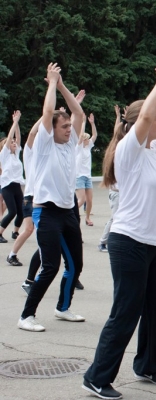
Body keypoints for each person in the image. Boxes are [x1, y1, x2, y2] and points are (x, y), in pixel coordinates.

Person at [82, 51, 156, 400]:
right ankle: (97, 377)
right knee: (126, 310)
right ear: (142, 124)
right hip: (128, 241)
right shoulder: (129, 151)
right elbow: (145, 114)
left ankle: (147, 365)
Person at [17, 63, 85, 332]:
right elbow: (48, 112)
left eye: (70, 126)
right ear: (52, 129)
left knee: (75, 265)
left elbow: (77, 112)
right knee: (50, 266)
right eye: (64, 126)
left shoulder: (70, 143)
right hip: (45, 212)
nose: (69, 129)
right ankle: (26, 316)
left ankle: (63, 307)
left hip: (67, 212)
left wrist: (63, 86)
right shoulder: (44, 146)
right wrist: (52, 85)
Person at [8, 117, 41, 266]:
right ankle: (13, 255)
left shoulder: (43, 154)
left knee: (30, 229)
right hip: (31, 198)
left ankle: (12, 255)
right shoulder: (29, 152)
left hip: (40, 198)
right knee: (31, 230)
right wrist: (45, 116)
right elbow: (32, 134)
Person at [97, 105, 124, 253]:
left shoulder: (119, 146)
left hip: (121, 191)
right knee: (115, 218)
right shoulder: (117, 149)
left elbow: (117, 132)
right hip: (116, 192)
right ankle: (102, 242)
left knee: (120, 218)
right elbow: (117, 133)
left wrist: (119, 117)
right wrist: (120, 119)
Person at [0, 110, 25, 243]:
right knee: (12, 212)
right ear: (6, 146)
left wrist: (18, 123)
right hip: (7, 187)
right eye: (12, 143)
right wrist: (14, 122)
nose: (14, 143)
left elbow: (18, 137)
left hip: (16, 186)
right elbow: (10, 137)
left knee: (21, 212)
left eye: (15, 143)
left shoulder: (16, 156)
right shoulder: (4, 155)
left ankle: (15, 232)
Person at [75, 114, 98, 226]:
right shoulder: (78, 148)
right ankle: (70, 211)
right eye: (87, 138)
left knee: (89, 200)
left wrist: (92, 123)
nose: (89, 139)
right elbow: (80, 136)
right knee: (82, 199)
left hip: (88, 176)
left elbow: (95, 135)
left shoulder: (88, 147)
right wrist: (83, 122)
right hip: (79, 176)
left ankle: (87, 218)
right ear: (83, 140)